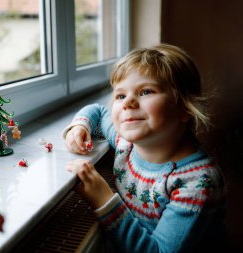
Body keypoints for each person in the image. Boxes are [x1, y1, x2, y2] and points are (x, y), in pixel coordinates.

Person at [63, 44, 226, 252]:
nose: (128, 102)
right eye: (120, 95)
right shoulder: (126, 144)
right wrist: (80, 126)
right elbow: (97, 111)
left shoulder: (197, 183)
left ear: (185, 108)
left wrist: (103, 198)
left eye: (146, 91)